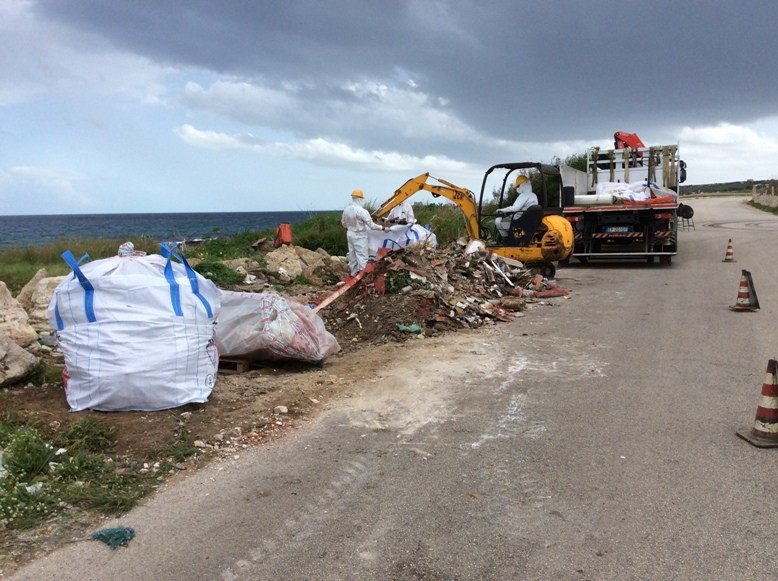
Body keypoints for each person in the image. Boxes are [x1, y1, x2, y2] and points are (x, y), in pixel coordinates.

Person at [341, 189, 386, 275]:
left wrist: (351, 227)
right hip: (360, 236)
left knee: (352, 256)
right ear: (360, 199)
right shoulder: (362, 211)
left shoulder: (346, 210)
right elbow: (372, 226)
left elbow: (343, 223)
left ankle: (353, 275)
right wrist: (382, 228)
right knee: (362, 258)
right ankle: (363, 277)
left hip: (350, 234)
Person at [494, 175, 539, 239]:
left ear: (522, 185)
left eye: (518, 186)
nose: (517, 188)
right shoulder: (534, 195)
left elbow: (515, 208)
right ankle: (516, 238)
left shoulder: (524, 195)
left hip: (518, 224)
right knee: (507, 219)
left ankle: (507, 240)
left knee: (498, 220)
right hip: (527, 223)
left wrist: (502, 210)